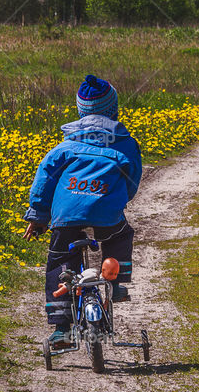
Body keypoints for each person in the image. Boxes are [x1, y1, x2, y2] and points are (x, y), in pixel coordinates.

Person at [23, 74, 142, 349]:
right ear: (113, 109)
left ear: (80, 110)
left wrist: (39, 217)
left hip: (66, 214)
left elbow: (44, 181)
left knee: (60, 261)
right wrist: (121, 199)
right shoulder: (124, 144)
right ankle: (117, 281)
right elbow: (132, 178)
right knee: (120, 236)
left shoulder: (65, 146)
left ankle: (62, 329)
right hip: (107, 212)